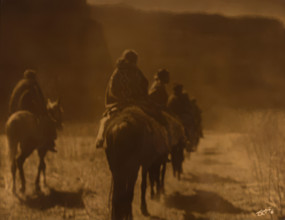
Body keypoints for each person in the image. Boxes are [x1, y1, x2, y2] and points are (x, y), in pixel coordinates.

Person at [96, 49, 149, 148]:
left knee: (106, 120)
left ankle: (100, 139)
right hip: (125, 103)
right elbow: (144, 85)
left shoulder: (120, 72)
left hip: (128, 103)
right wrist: (131, 99)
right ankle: (100, 138)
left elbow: (112, 89)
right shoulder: (131, 72)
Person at [9, 69, 57, 152]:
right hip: (28, 109)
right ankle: (49, 143)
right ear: (33, 77)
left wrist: (11, 113)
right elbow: (40, 99)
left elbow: (12, 100)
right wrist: (44, 111)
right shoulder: (33, 84)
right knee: (46, 121)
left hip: (14, 111)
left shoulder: (19, 84)